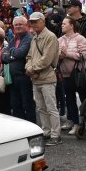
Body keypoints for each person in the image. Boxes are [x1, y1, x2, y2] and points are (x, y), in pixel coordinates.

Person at [25, 12, 61, 145]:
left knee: (51, 107)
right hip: (36, 78)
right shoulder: (34, 38)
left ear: (43, 21)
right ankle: (46, 132)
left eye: (36, 21)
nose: (33, 24)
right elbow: (29, 57)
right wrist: (30, 69)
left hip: (47, 78)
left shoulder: (50, 36)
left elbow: (46, 60)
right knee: (41, 108)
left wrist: (31, 69)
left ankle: (56, 135)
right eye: (32, 22)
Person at [1, 16, 37, 123]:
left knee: (27, 104)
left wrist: (11, 52)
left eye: (20, 24)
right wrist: (12, 54)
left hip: (24, 77)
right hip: (13, 78)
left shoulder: (29, 38)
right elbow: (3, 56)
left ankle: (32, 127)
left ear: (26, 26)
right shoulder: (14, 39)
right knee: (16, 105)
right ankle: (21, 127)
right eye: (16, 24)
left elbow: (21, 53)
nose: (18, 26)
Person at [57, 16, 86, 134]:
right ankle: (75, 123)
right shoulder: (59, 40)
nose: (62, 25)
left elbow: (83, 56)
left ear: (72, 25)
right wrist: (58, 56)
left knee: (84, 99)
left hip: (79, 74)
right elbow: (56, 56)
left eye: (64, 24)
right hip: (64, 74)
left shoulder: (81, 39)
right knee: (69, 100)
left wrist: (66, 54)